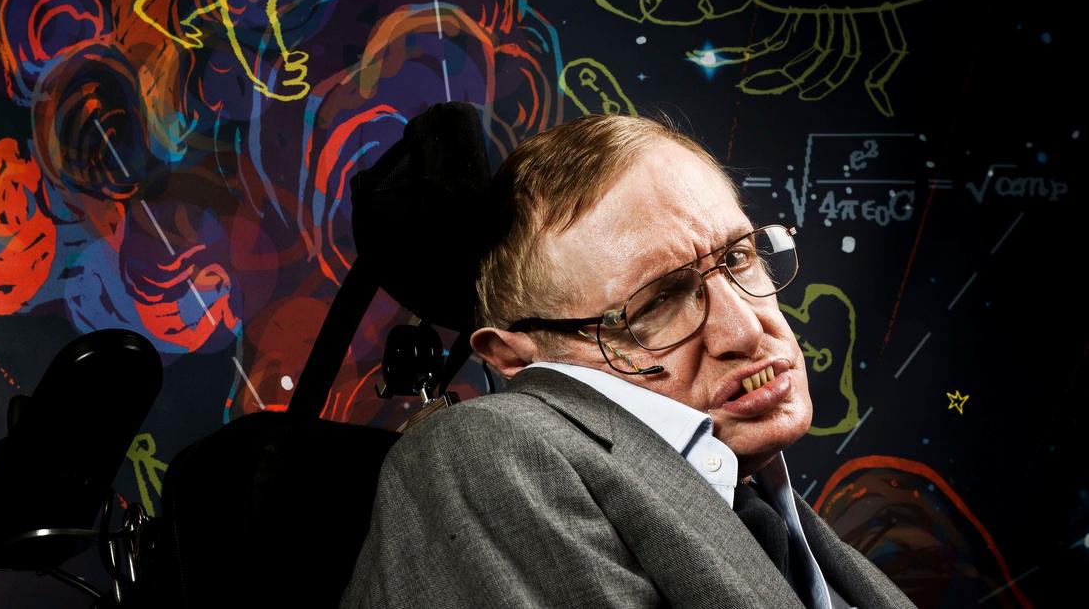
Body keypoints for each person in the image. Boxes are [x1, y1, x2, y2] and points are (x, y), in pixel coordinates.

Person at [342, 114, 914, 608]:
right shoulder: (479, 450)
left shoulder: (758, 501)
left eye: (739, 256)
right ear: (512, 356)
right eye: (659, 302)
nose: (744, 330)